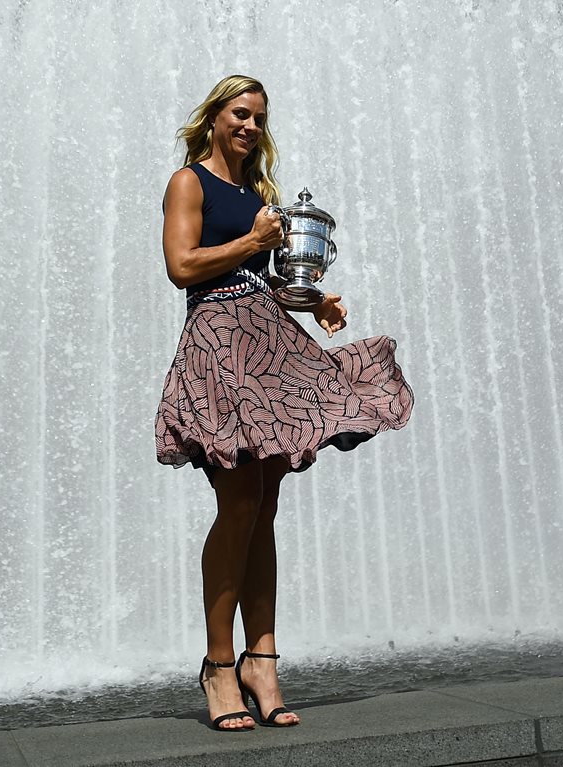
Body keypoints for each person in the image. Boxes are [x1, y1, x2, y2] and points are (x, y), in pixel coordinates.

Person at [155, 75, 413, 731]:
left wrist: (314, 298)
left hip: (267, 346)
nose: (249, 125)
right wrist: (254, 243)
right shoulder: (191, 183)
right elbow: (183, 266)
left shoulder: (258, 195)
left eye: (258, 118)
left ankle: (261, 660)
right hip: (217, 346)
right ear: (214, 117)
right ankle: (218, 666)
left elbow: (259, 280)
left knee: (264, 505)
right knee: (238, 502)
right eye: (239, 113)